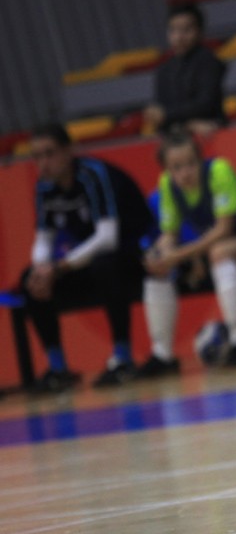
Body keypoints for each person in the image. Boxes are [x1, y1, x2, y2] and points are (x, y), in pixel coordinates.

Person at [21, 123, 152, 391]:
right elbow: (43, 239)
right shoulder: (44, 187)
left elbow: (107, 238)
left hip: (134, 255)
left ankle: (123, 358)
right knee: (30, 279)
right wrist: (42, 270)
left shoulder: (94, 175)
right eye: (37, 156)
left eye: (49, 153)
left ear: (68, 151)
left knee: (106, 265)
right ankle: (58, 369)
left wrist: (59, 267)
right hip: (89, 262)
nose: (43, 163)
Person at [139, 131, 236, 376]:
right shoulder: (167, 184)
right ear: (167, 169)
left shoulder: (219, 171)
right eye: (177, 167)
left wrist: (179, 255)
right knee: (158, 266)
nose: (185, 173)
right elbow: (169, 233)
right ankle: (162, 355)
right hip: (205, 248)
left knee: (219, 251)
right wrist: (158, 254)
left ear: (201, 160)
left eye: (191, 164)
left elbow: (224, 229)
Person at [144, 4, 227, 135]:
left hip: (210, 129)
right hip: (175, 133)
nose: (178, 37)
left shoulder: (209, 62)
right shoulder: (163, 70)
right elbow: (160, 110)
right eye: (173, 30)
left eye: (186, 30)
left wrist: (167, 114)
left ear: (200, 32)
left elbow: (206, 104)